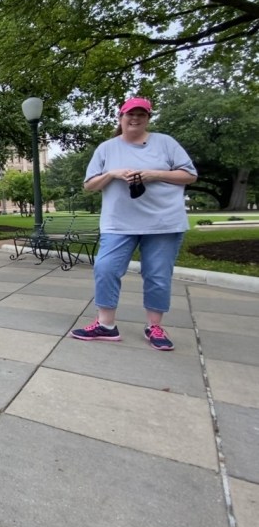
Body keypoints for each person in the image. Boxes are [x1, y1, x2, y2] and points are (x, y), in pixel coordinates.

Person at [71, 97, 197, 351]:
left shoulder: (166, 143)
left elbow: (190, 175)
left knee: (158, 275)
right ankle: (106, 325)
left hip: (163, 222)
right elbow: (89, 186)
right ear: (121, 117)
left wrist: (154, 174)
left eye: (142, 114)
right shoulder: (107, 149)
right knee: (105, 268)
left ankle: (155, 327)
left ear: (148, 118)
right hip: (118, 223)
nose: (135, 118)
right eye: (130, 114)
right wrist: (112, 174)